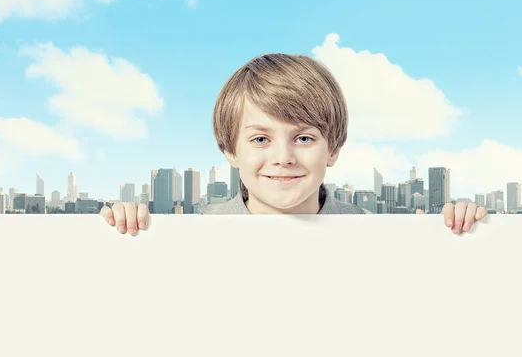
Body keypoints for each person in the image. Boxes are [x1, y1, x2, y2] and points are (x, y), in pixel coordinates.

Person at [100, 53, 487, 235]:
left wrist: (461, 229)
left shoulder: (375, 233)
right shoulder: (194, 234)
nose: (282, 157)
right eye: (260, 139)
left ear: (332, 149)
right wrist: (126, 229)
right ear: (231, 151)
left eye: (303, 137)